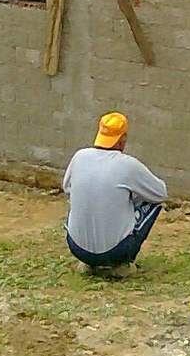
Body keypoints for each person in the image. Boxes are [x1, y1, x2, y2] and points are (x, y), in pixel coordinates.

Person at [63, 112, 167, 271]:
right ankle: (121, 265)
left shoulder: (80, 156)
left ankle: (88, 263)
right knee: (153, 203)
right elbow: (160, 193)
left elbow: (67, 187)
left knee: (81, 197)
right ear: (122, 139)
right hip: (115, 252)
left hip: (77, 249)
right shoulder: (128, 165)